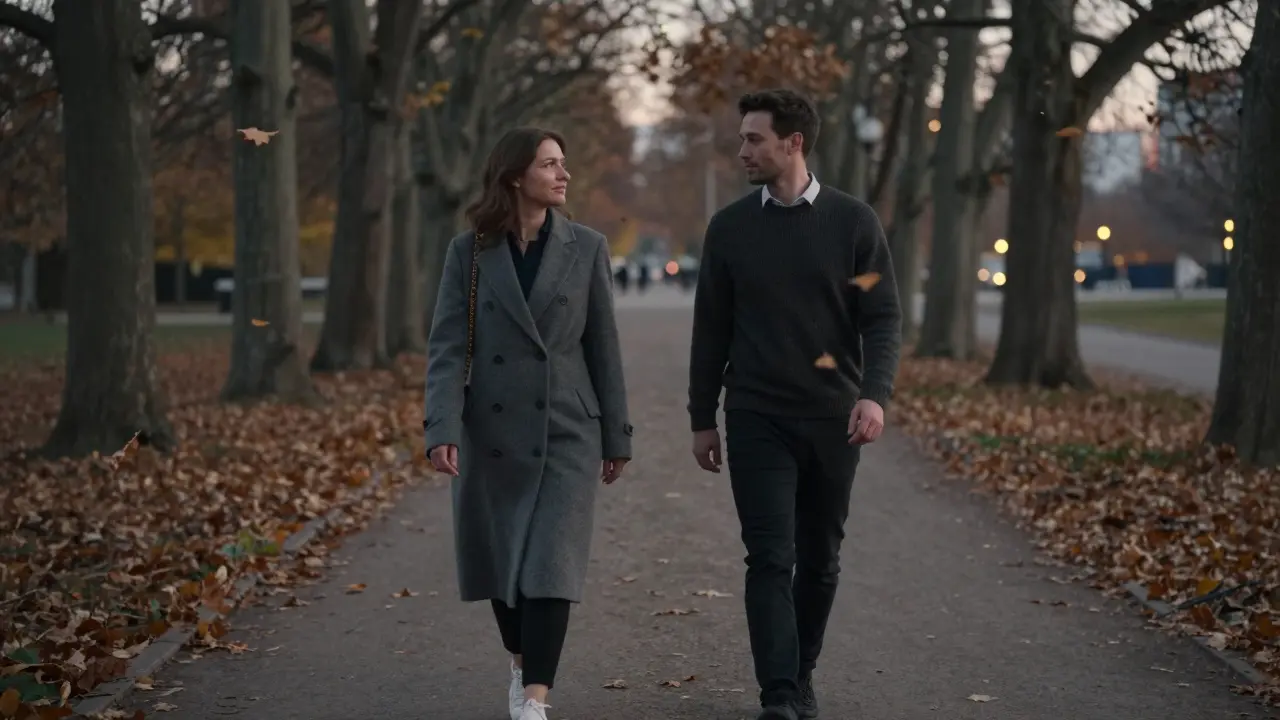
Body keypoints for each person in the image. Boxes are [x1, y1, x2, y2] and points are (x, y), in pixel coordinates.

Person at [686, 89, 903, 720]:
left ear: (793, 143)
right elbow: (711, 329)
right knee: (769, 557)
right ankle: (778, 694)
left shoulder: (853, 223)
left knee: (821, 559)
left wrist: (874, 396)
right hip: (755, 414)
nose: (743, 149)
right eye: (743, 137)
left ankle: (801, 671)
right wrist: (703, 417)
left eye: (754, 138)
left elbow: (881, 318)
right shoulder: (729, 229)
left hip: (833, 417)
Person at [423, 126, 634, 720]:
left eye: (564, 163)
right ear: (517, 176)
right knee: (502, 566)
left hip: (568, 426)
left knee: (552, 564)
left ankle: (535, 698)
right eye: (550, 164)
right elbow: (446, 346)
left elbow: (604, 348)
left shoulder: (587, 247)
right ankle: (520, 661)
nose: (564, 174)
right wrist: (440, 427)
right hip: (489, 430)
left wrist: (617, 434)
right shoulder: (468, 253)